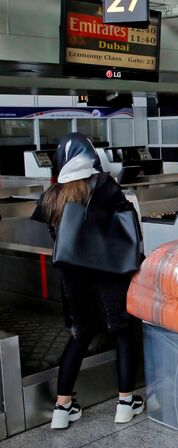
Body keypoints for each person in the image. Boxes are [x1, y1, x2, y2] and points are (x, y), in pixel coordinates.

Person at [31, 133, 144, 429]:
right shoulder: (105, 185)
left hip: (74, 278)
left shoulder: (52, 195)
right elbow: (128, 221)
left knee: (79, 336)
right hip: (110, 274)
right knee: (122, 333)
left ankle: (62, 407)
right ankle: (124, 402)